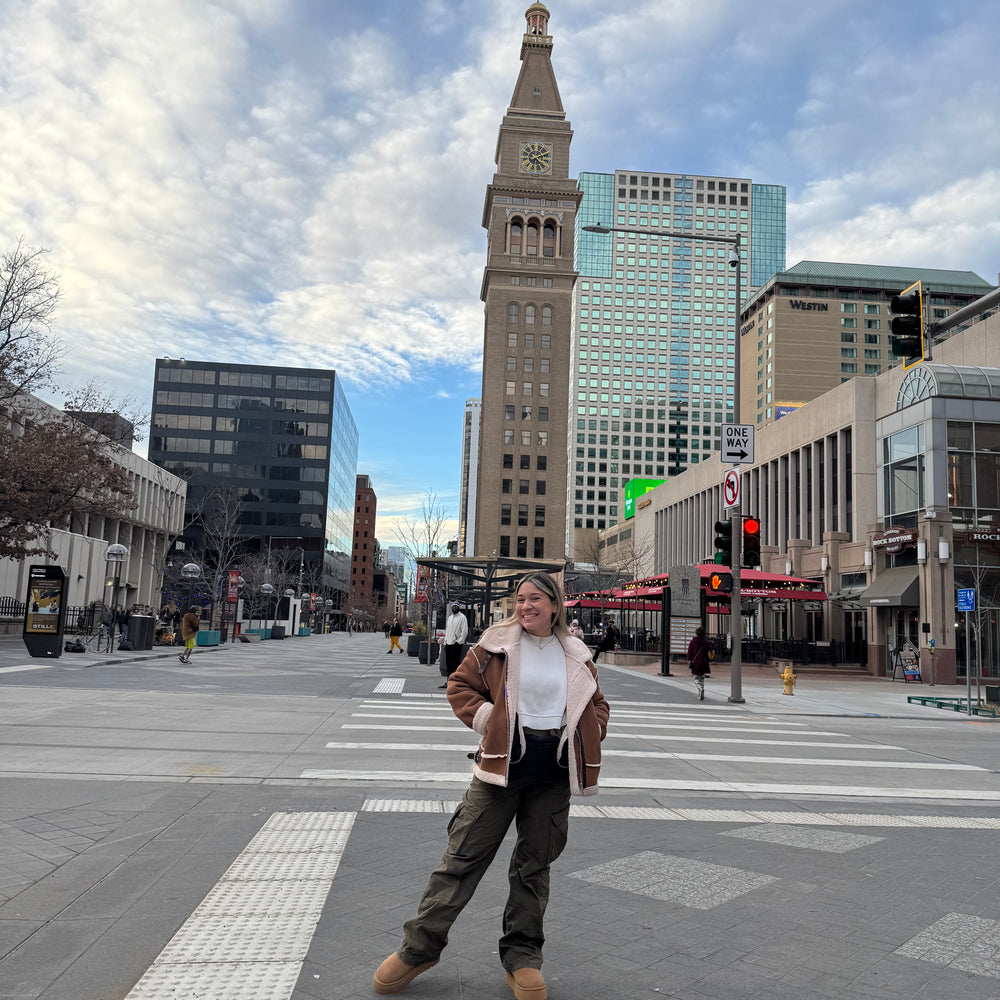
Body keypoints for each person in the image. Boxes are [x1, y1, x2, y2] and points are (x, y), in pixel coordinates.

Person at [374, 571, 610, 1000]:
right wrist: (489, 722)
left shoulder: (576, 652)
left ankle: (522, 959)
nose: (527, 606)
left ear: (555, 605)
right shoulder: (495, 643)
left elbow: (597, 702)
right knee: (461, 859)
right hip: (500, 771)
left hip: (552, 776)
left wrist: (591, 729)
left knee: (533, 869)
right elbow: (460, 686)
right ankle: (419, 949)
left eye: (537, 599)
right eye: (521, 599)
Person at [440, 603, 469, 688]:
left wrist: (459, 641)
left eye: (456, 607)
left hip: (456, 644)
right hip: (448, 643)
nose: (454, 608)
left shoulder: (462, 618)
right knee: (448, 664)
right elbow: (448, 630)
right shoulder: (450, 618)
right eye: (453, 607)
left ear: (459, 608)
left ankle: (455, 682)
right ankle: (449, 681)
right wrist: (445, 641)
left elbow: (464, 631)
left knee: (455, 664)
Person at [687, 625, 714, 700]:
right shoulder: (706, 642)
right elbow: (711, 649)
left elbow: (690, 652)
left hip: (696, 662)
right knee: (702, 677)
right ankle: (701, 692)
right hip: (704, 662)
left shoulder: (693, 642)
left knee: (696, 677)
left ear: (696, 633)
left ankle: (699, 688)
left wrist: (689, 660)